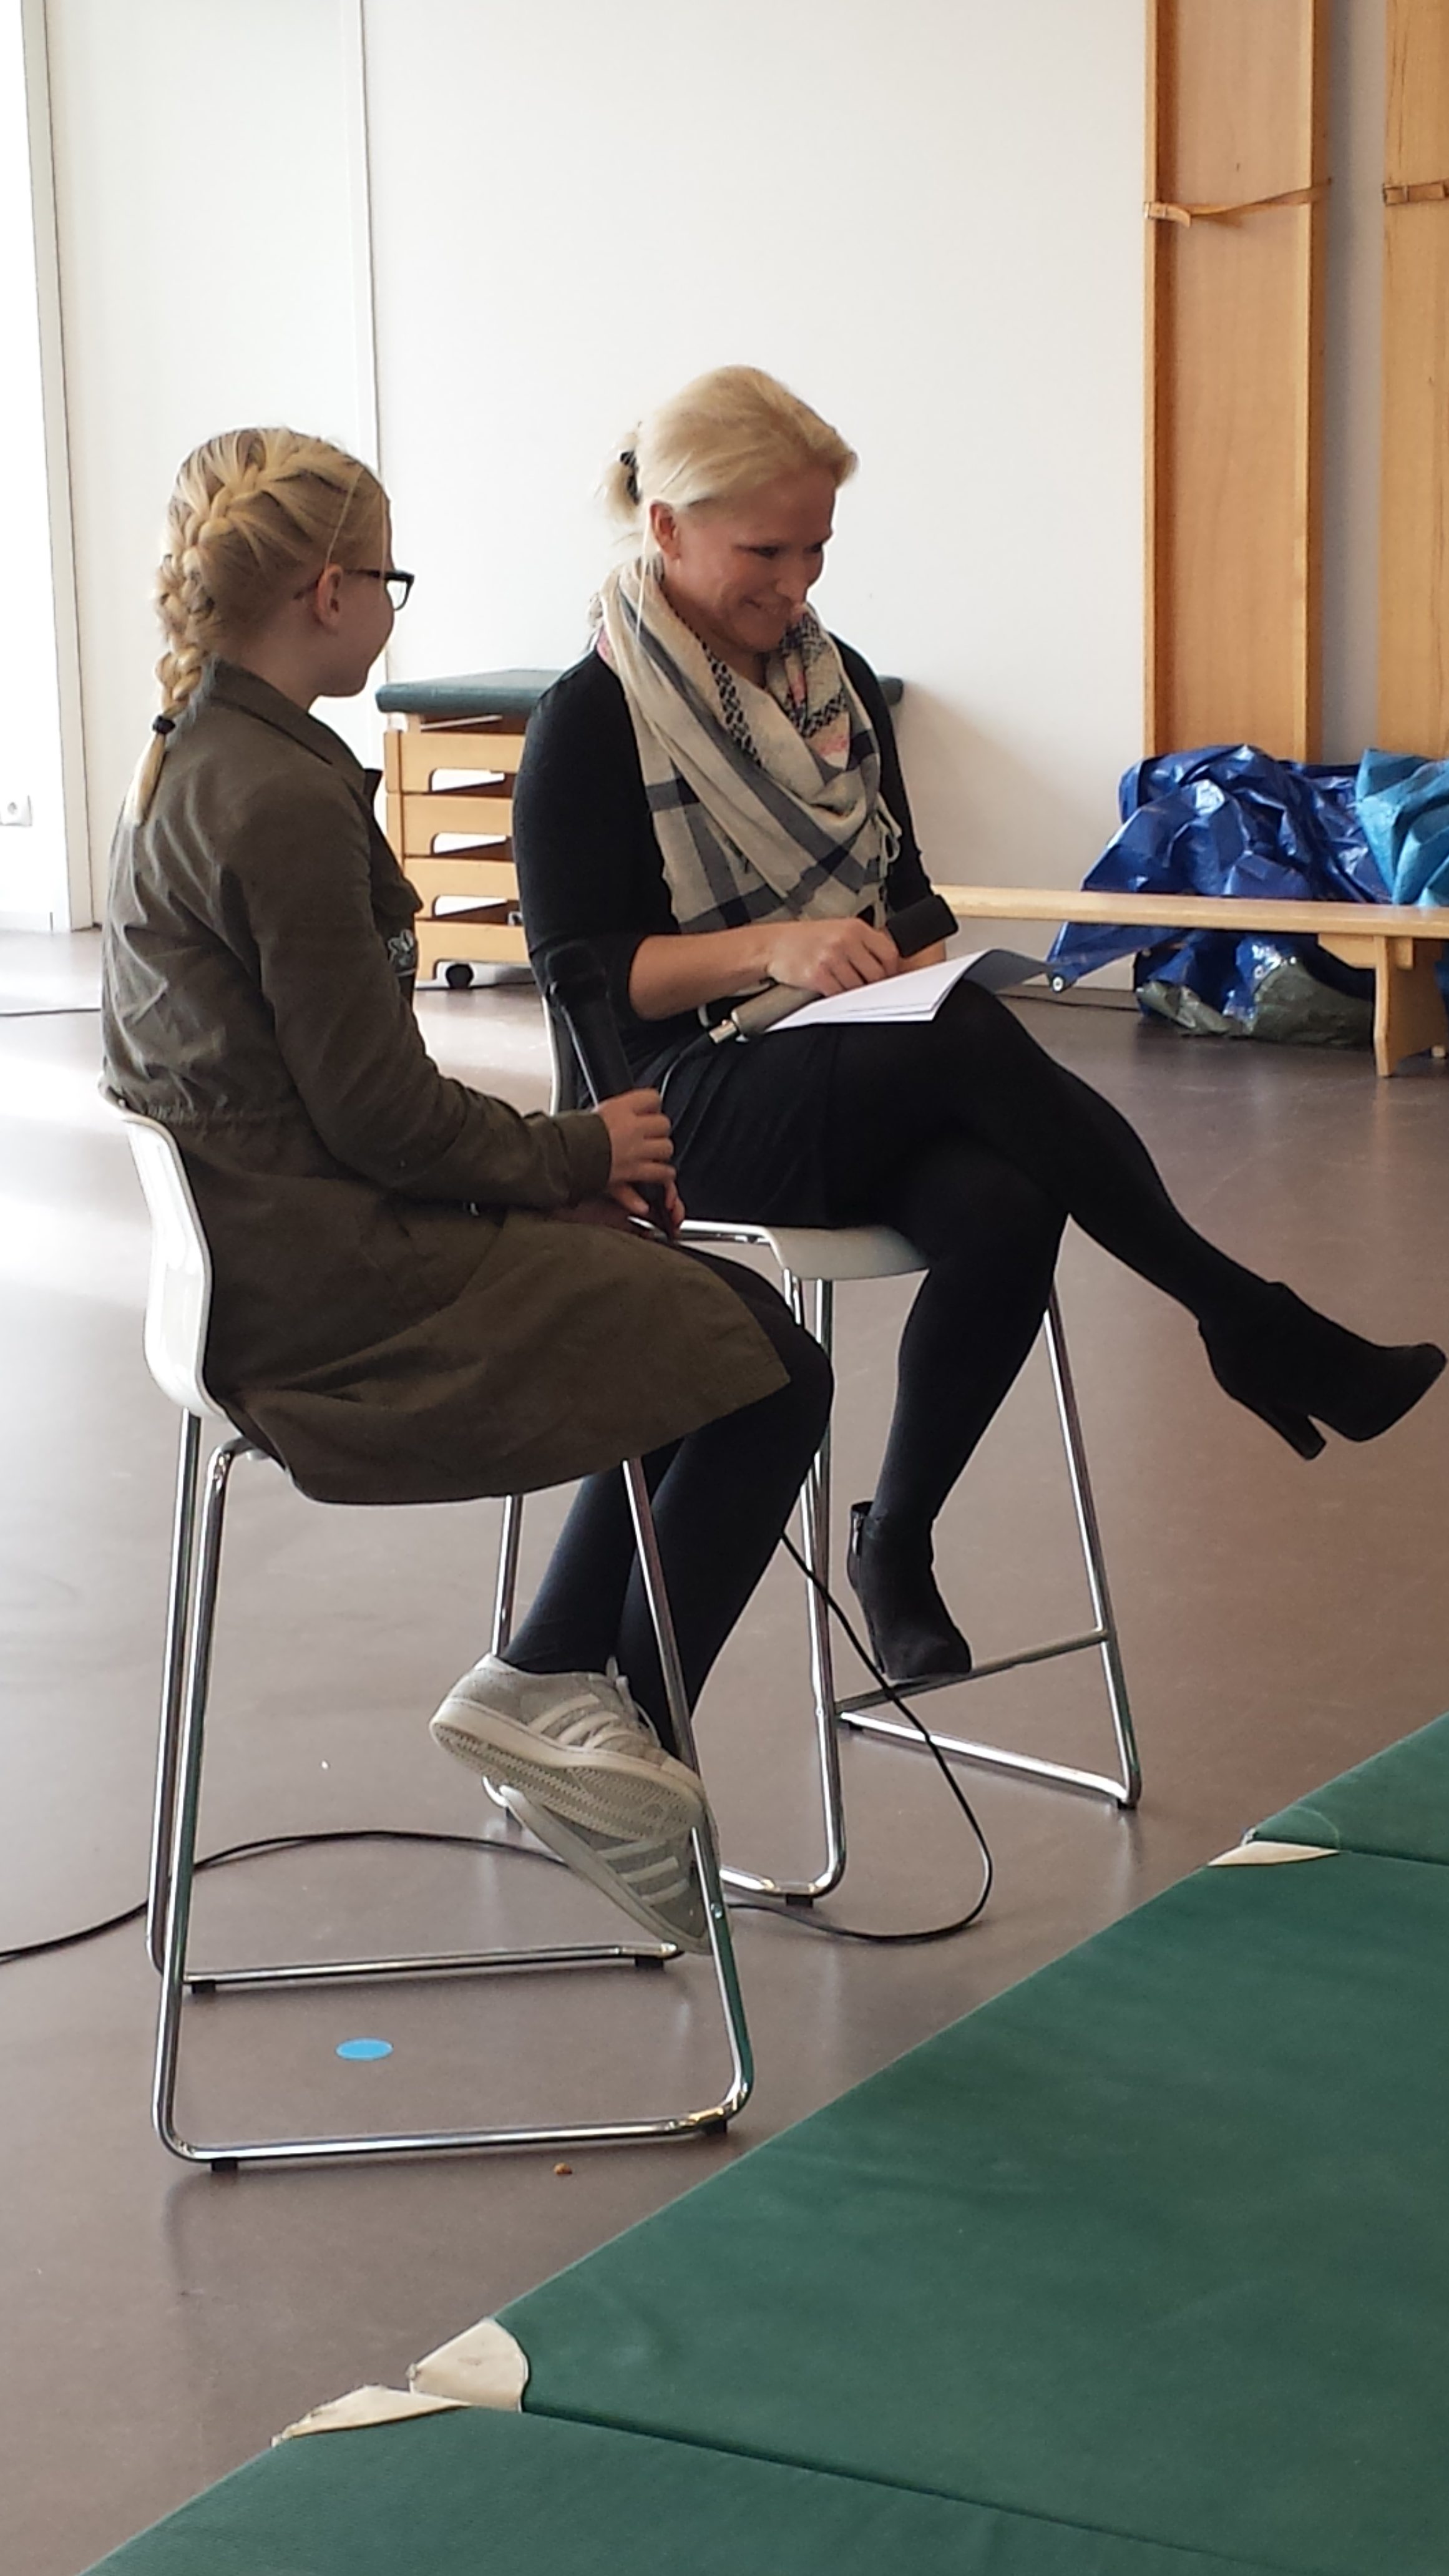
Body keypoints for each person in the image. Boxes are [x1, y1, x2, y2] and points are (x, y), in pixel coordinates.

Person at [514, 364, 1445, 1689]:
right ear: (665, 527)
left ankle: (895, 1539)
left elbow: (905, 900)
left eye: (817, 547)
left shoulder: (835, 689)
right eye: (764, 552)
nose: (796, 582)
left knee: (1007, 1201)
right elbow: (584, 977)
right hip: (664, 1100)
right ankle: (1246, 1320)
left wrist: (901, 969)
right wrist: (775, 946)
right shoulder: (590, 716)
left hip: (833, 1063)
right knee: (957, 1044)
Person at [102, 425, 832, 1954]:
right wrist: (579, 1154)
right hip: (332, 1303)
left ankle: (566, 1702)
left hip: (269, 1260)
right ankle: (592, 1728)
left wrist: (529, 1189)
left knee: (700, 1314)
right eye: (388, 580)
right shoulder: (282, 801)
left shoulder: (195, 756)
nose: (392, 607)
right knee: (771, 1358)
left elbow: (333, 1109)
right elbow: (378, 1116)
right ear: (328, 591)